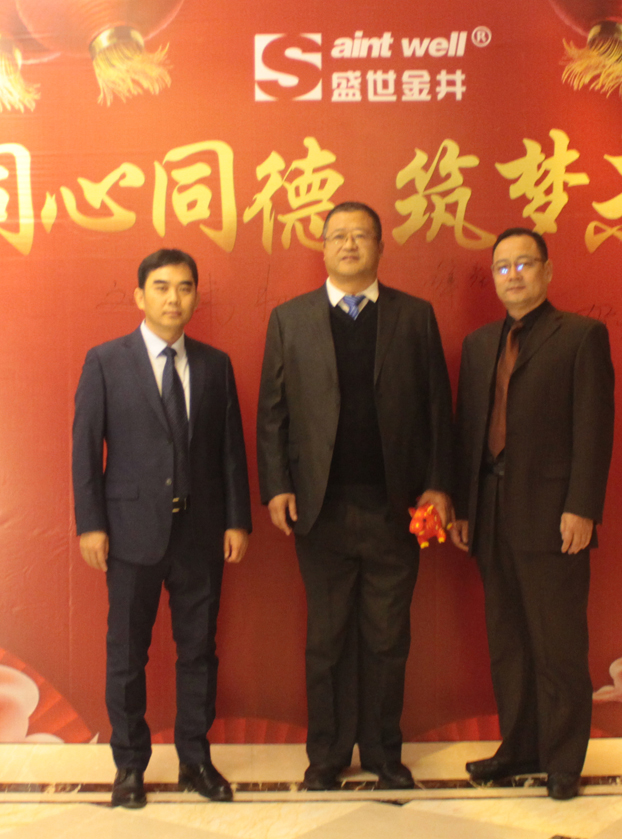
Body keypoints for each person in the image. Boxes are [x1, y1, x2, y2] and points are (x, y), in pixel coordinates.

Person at [256, 201, 453, 791]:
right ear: (323, 247)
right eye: (338, 236)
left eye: (361, 236)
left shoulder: (414, 316)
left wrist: (438, 484)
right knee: (327, 640)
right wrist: (277, 487)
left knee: (388, 640)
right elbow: (273, 414)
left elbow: (438, 409)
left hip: (397, 510)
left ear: (380, 247)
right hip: (321, 510)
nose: (349, 245)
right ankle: (327, 755)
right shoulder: (290, 319)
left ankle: (384, 754)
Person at [72, 248, 251, 806]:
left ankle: (195, 761)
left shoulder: (216, 365)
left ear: (195, 296)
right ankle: (129, 767)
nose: (174, 298)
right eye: (162, 286)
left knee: (198, 652)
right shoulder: (106, 361)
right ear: (140, 295)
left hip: (201, 532)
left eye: (185, 287)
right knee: (127, 654)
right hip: (129, 533)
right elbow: (85, 450)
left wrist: (237, 520)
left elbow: (230, 450)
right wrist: (90, 524)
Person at [451, 228, 614, 801]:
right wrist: (465, 507)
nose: (513, 275)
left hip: (553, 516)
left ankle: (563, 759)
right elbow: (468, 430)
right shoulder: (478, 344)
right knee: (509, 642)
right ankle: (519, 748)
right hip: (490, 512)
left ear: (547, 271)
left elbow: (594, 429)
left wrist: (582, 508)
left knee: (558, 643)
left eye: (524, 264)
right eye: (502, 267)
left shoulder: (581, 336)